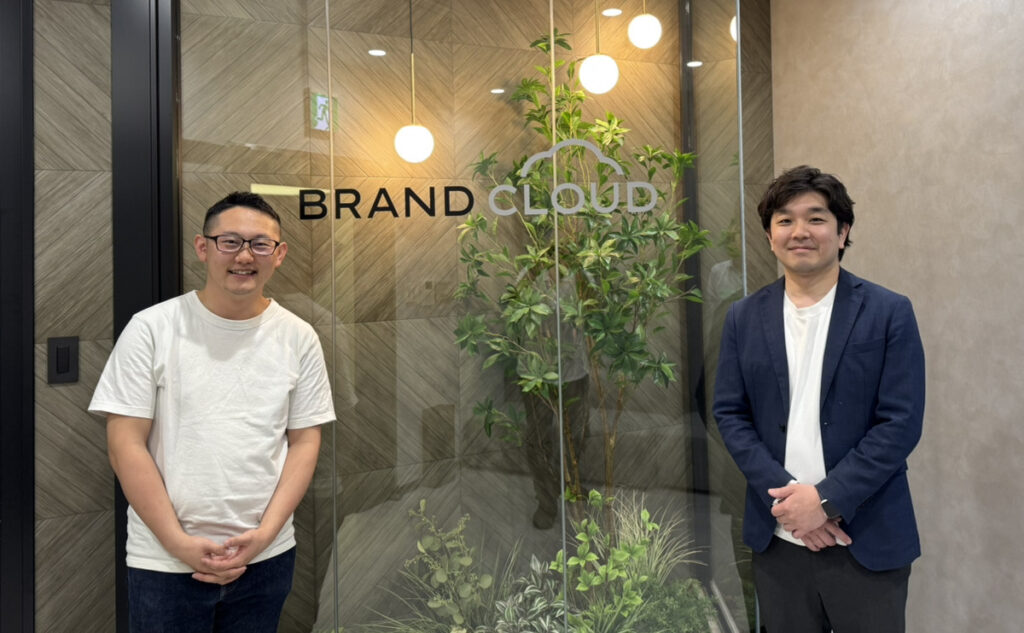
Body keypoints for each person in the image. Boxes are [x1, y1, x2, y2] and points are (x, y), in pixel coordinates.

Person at [89, 192, 335, 632]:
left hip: (266, 557)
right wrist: (177, 543)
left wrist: (265, 535)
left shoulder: (299, 337)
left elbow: (304, 442)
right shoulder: (152, 328)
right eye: (230, 241)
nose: (245, 256)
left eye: (260, 244)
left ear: (279, 255)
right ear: (203, 248)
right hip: (164, 562)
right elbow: (124, 446)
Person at [712, 166, 925, 632]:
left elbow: (900, 423)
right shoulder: (743, 317)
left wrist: (825, 501)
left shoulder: (889, 312)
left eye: (816, 218)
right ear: (769, 236)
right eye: (785, 220)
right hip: (778, 537)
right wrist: (793, 504)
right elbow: (730, 413)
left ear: (842, 231)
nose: (799, 231)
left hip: (865, 538)